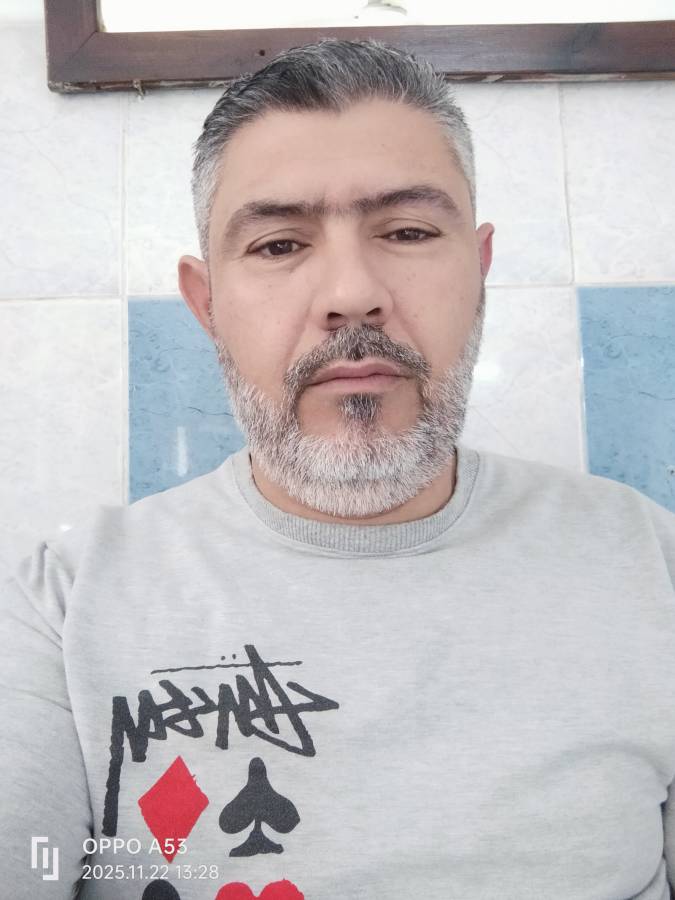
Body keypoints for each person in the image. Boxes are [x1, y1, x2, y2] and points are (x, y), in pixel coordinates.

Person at [1, 37, 674, 900]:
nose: (352, 293)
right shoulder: (59, 610)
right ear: (208, 304)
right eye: (279, 244)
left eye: (407, 231)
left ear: (479, 270)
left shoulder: (648, 564)